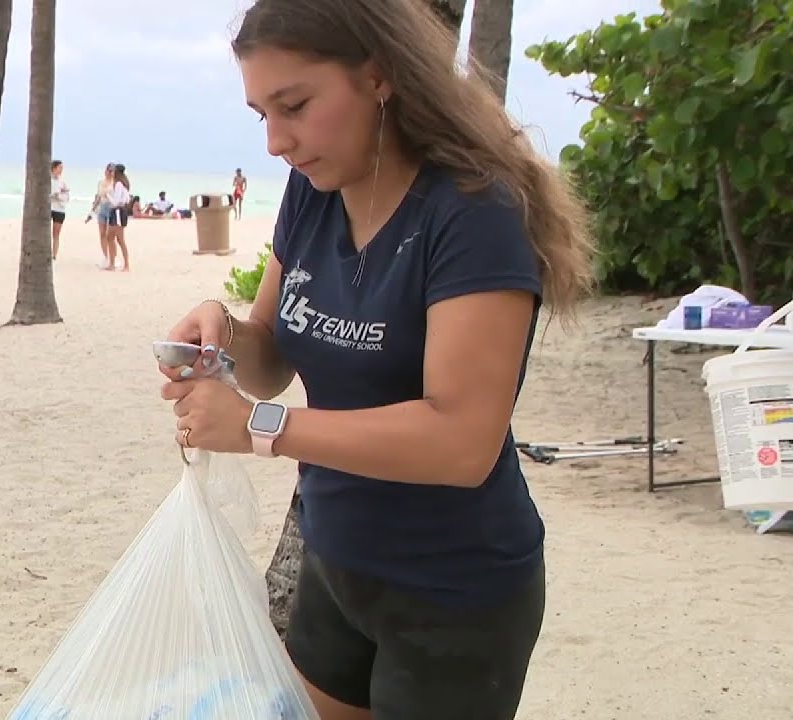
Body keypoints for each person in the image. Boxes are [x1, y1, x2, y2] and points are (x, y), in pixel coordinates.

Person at [156, 1, 596, 719]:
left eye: (295, 106)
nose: (276, 142)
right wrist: (223, 333)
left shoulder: (473, 213)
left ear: (379, 75)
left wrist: (258, 427)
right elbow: (271, 356)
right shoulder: (313, 191)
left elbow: (461, 442)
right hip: (334, 562)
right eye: (262, 114)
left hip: (452, 592)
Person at [103, 164, 132, 271]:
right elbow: (127, 199)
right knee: (110, 237)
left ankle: (126, 265)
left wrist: (108, 196)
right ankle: (112, 263)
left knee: (119, 239)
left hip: (118, 211)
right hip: (117, 211)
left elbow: (116, 201)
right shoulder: (122, 183)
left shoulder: (119, 184)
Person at [50, 160, 71, 260]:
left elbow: (67, 197)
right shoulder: (48, 180)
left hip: (59, 210)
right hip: (49, 208)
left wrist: (59, 196)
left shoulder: (63, 182)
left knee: (56, 233)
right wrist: (53, 196)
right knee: (46, 233)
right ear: (54, 168)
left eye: (62, 168)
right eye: (60, 168)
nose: (61, 170)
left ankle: (54, 255)